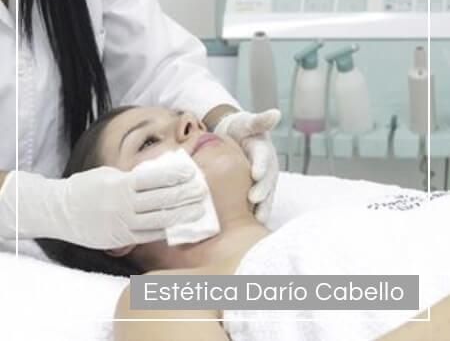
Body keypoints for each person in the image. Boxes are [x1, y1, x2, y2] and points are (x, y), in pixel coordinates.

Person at [0, 0, 279, 251]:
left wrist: (225, 119)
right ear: (119, 246)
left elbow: (153, 66)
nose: (191, 123)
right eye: (147, 142)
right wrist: (52, 206)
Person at [35, 104, 450, 341]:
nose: (191, 122)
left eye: (186, 118)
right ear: (111, 228)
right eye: (148, 141)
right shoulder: (173, 295)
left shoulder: (346, 220)